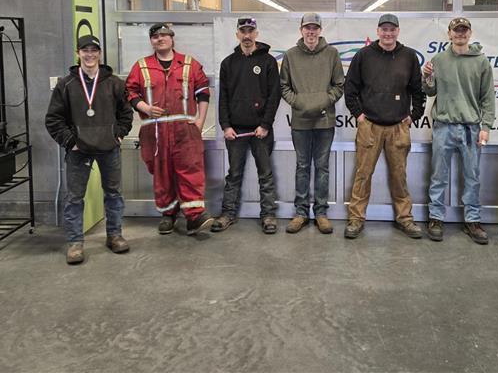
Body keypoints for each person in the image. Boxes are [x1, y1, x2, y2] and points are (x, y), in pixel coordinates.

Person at [45, 35, 134, 265]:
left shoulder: (114, 83)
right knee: (74, 197)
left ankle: (114, 235)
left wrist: (118, 134)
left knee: (113, 193)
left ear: (100, 54)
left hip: (109, 148)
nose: (90, 54)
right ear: (78, 53)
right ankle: (75, 243)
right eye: (85, 50)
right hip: (78, 150)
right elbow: (53, 119)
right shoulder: (66, 84)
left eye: (94, 50)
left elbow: (126, 113)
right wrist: (70, 142)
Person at [343, 14, 426, 240]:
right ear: (378, 31)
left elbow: (418, 90)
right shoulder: (363, 55)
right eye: (384, 29)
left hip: (399, 127)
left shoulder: (409, 56)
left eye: (392, 29)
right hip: (369, 126)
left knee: (399, 176)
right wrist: (359, 115)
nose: (388, 33)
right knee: (363, 174)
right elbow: (350, 88)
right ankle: (356, 219)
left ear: (398, 31)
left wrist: (414, 115)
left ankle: (405, 218)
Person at [125, 23, 213, 236]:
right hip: (154, 131)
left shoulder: (190, 64)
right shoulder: (141, 66)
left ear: (172, 39)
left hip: (185, 130)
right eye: (155, 36)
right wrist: (145, 108)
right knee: (161, 173)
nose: (160, 39)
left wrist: (200, 120)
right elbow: (130, 92)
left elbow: (203, 92)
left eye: (164, 35)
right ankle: (168, 214)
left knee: (190, 170)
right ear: (151, 41)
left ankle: (194, 217)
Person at [422, 17, 495, 244]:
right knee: (438, 175)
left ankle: (472, 220)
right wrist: (427, 77)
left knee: (472, 176)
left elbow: (488, 98)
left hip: (471, 127)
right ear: (449, 34)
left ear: (470, 33)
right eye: (456, 30)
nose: (460, 34)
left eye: (464, 30)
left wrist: (486, 126)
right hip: (444, 126)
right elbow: (430, 91)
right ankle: (436, 217)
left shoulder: (481, 62)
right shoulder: (439, 60)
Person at [212, 17, 281, 234]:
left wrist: (265, 124)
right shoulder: (228, 63)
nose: (247, 35)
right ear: (237, 35)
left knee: (265, 175)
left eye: (251, 31)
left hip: (261, 130)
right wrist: (225, 126)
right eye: (243, 31)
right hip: (235, 131)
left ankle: (268, 215)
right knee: (234, 174)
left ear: (256, 34)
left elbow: (274, 96)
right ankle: (228, 214)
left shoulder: (268, 62)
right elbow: (223, 97)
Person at [280, 13, 345, 234]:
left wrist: (323, 102)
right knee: (302, 167)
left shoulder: (332, 54)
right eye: (307, 28)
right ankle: (300, 212)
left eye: (315, 28)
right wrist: (299, 103)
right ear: (301, 30)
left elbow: (339, 85)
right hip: (300, 122)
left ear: (320, 30)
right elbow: (284, 86)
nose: (311, 32)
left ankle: (321, 213)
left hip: (325, 122)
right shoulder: (290, 55)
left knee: (322, 167)